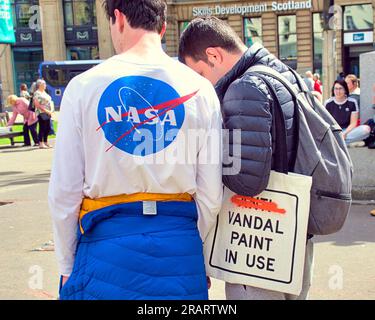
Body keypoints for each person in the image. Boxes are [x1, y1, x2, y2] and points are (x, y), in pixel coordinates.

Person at [48, 0, 223, 300]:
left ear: (118, 19)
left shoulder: (82, 87)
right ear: (163, 27)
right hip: (179, 247)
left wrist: (67, 263)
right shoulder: (200, 89)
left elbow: (64, 192)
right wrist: (198, 254)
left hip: (106, 249)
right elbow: (211, 195)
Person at [179, 16, 313, 300]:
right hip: (295, 231)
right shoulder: (282, 72)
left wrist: (206, 156)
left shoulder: (243, 88)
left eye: (200, 74)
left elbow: (247, 179)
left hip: (257, 239)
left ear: (214, 55)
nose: (203, 85)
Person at [324, 80, 370, 146]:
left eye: (340, 89)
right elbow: (326, 122)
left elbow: (353, 123)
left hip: (348, 131)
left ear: (345, 89)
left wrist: (344, 133)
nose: (338, 91)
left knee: (366, 129)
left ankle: (338, 144)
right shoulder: (328, 103)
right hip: (334, 132)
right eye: (336, 89)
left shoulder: (352, 102)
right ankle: (347, 143)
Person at [33, 79, 53, 149]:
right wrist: (46, 110)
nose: (45, 85)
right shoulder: (37, 93)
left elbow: (50, 101)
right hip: (41, 112)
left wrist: (50, 111)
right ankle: (41, 143)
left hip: (48, 112)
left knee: (48, 128)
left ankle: (45, 142)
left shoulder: (44, 92)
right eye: (44, 84)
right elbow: (37, 104)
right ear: (40, 85)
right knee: (42, 127)